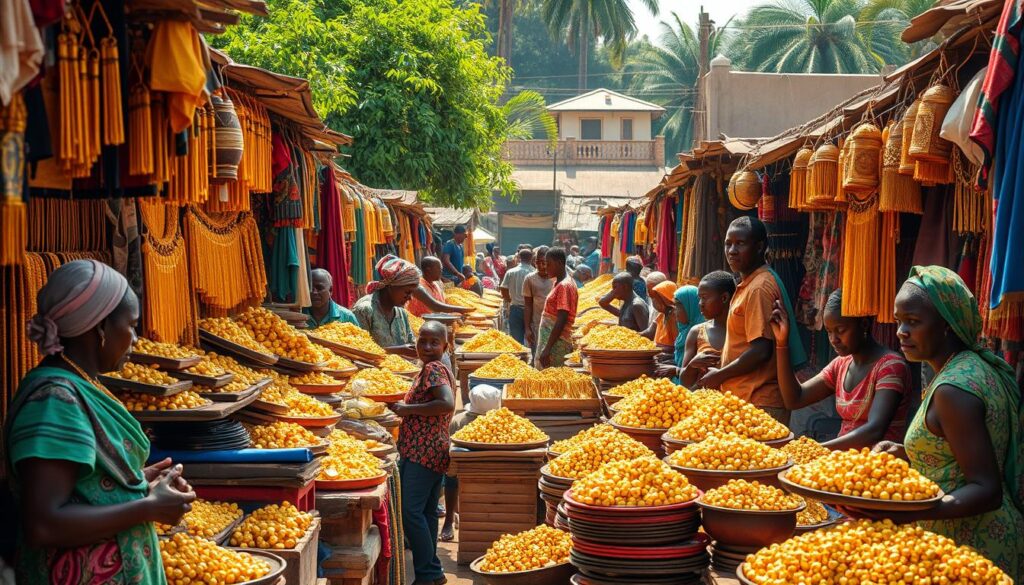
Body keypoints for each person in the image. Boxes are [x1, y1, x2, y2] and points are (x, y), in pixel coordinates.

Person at [5, 259, 195, 584]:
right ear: (100, 328)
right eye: (131, 325)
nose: (135, 338)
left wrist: (133, 483)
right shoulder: (55, 400)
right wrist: (147, 508)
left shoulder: (80, 385)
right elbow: (44, 523)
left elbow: (80, 484)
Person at [842, 267, 1023, 581]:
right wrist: (907, 452)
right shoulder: (973, 366)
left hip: (973, 549)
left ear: (947, 326)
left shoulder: (952, 390)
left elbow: (986, 489)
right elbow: (958, 449)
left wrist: (906, 511)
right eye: (899, 321)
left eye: (913, 322)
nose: (901, 332)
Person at [770, 289, 911, 448]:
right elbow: (794, 399)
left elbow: (874, 430)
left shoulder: (891, 367)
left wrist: (818, 450)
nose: (833, 340)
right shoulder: (841, 364)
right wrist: (782, 343)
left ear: (864, 324)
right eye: (829, 332)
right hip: (842, 465)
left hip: (879, 465)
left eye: (840, 330)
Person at [698, 217, 806, 424]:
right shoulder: (750, 283)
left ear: (759, 247)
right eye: (728, 243)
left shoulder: (758, 288)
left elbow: (761, 350)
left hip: (759, 402)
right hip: (746, 399)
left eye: (740, 243)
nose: (732, 250)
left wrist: (719, 375)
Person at [388, 321, 456, 585]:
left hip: (422, 451)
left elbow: (447, 403)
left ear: (445, 346)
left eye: (434, 342)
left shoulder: (433, 369)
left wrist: (407, 410)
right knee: (426, 511)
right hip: (432, 449)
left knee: (410, 511)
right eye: (422, 341)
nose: (427, 347)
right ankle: (432, 570)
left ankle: (428, 572)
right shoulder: (438, 368)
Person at [440, 385, 501, 542]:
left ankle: (449, 521)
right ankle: (450, 519)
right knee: (452, 474)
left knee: (450, 477)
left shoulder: (458, 421)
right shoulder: (461, 422)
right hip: (479, 469)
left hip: (473, 470)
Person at [660, 271, 735, 387]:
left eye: (704, 298)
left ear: (724, 298)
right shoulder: (697, 332)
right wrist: (692, 366)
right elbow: (685, 382)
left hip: (736, 401)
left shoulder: (742, 331)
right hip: (703, 402)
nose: (700, 304)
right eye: (699, 299)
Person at [352, 255, 420, 358]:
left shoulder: (401, 313)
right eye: (407, 292)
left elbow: (411, 343)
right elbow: (358, 350)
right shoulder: (364, 310)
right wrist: (399, 350)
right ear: (390, 286)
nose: (410, 298)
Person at [536, 247, 578, 368]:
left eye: (549, 264)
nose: (545, 267)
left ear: (560, 263)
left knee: (551, 381)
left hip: (556, 343)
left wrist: (547, 348)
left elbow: (562, 318)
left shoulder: (564, 286)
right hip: (552, 341)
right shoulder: (559, 283)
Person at [407, 257, 473, 318]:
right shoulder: (419, 286)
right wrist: (462, 310)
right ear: (428, 270)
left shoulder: (437, 283)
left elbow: (443, 303)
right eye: (439, 269)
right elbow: (435, 307)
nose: (441, 271)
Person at [523, 246, 554, 350]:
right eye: (538, 262)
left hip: (554, 325)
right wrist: (527, 328)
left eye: (544, 262)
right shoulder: (530, 279)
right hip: (537, 324)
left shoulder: (557, 278)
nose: (541, 266)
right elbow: (528, 304)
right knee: (537, 355)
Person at [500, 248, 534, 345]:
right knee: (531, 340)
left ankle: (518, 359)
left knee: (516, 342)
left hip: (515, 308)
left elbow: (503, 288)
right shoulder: (534, 273)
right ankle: (530, 359)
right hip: (531, 310)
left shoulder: (511, 272)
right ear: (531, 258)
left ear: (519, 258)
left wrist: (509, 300)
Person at [644, 281, 679, 350]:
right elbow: (650, 332)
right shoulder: (661, 315)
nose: (653, 301)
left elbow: (677, 345)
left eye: (656, 298)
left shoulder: (673, 316)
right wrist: (631, 334)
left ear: (665, 299)